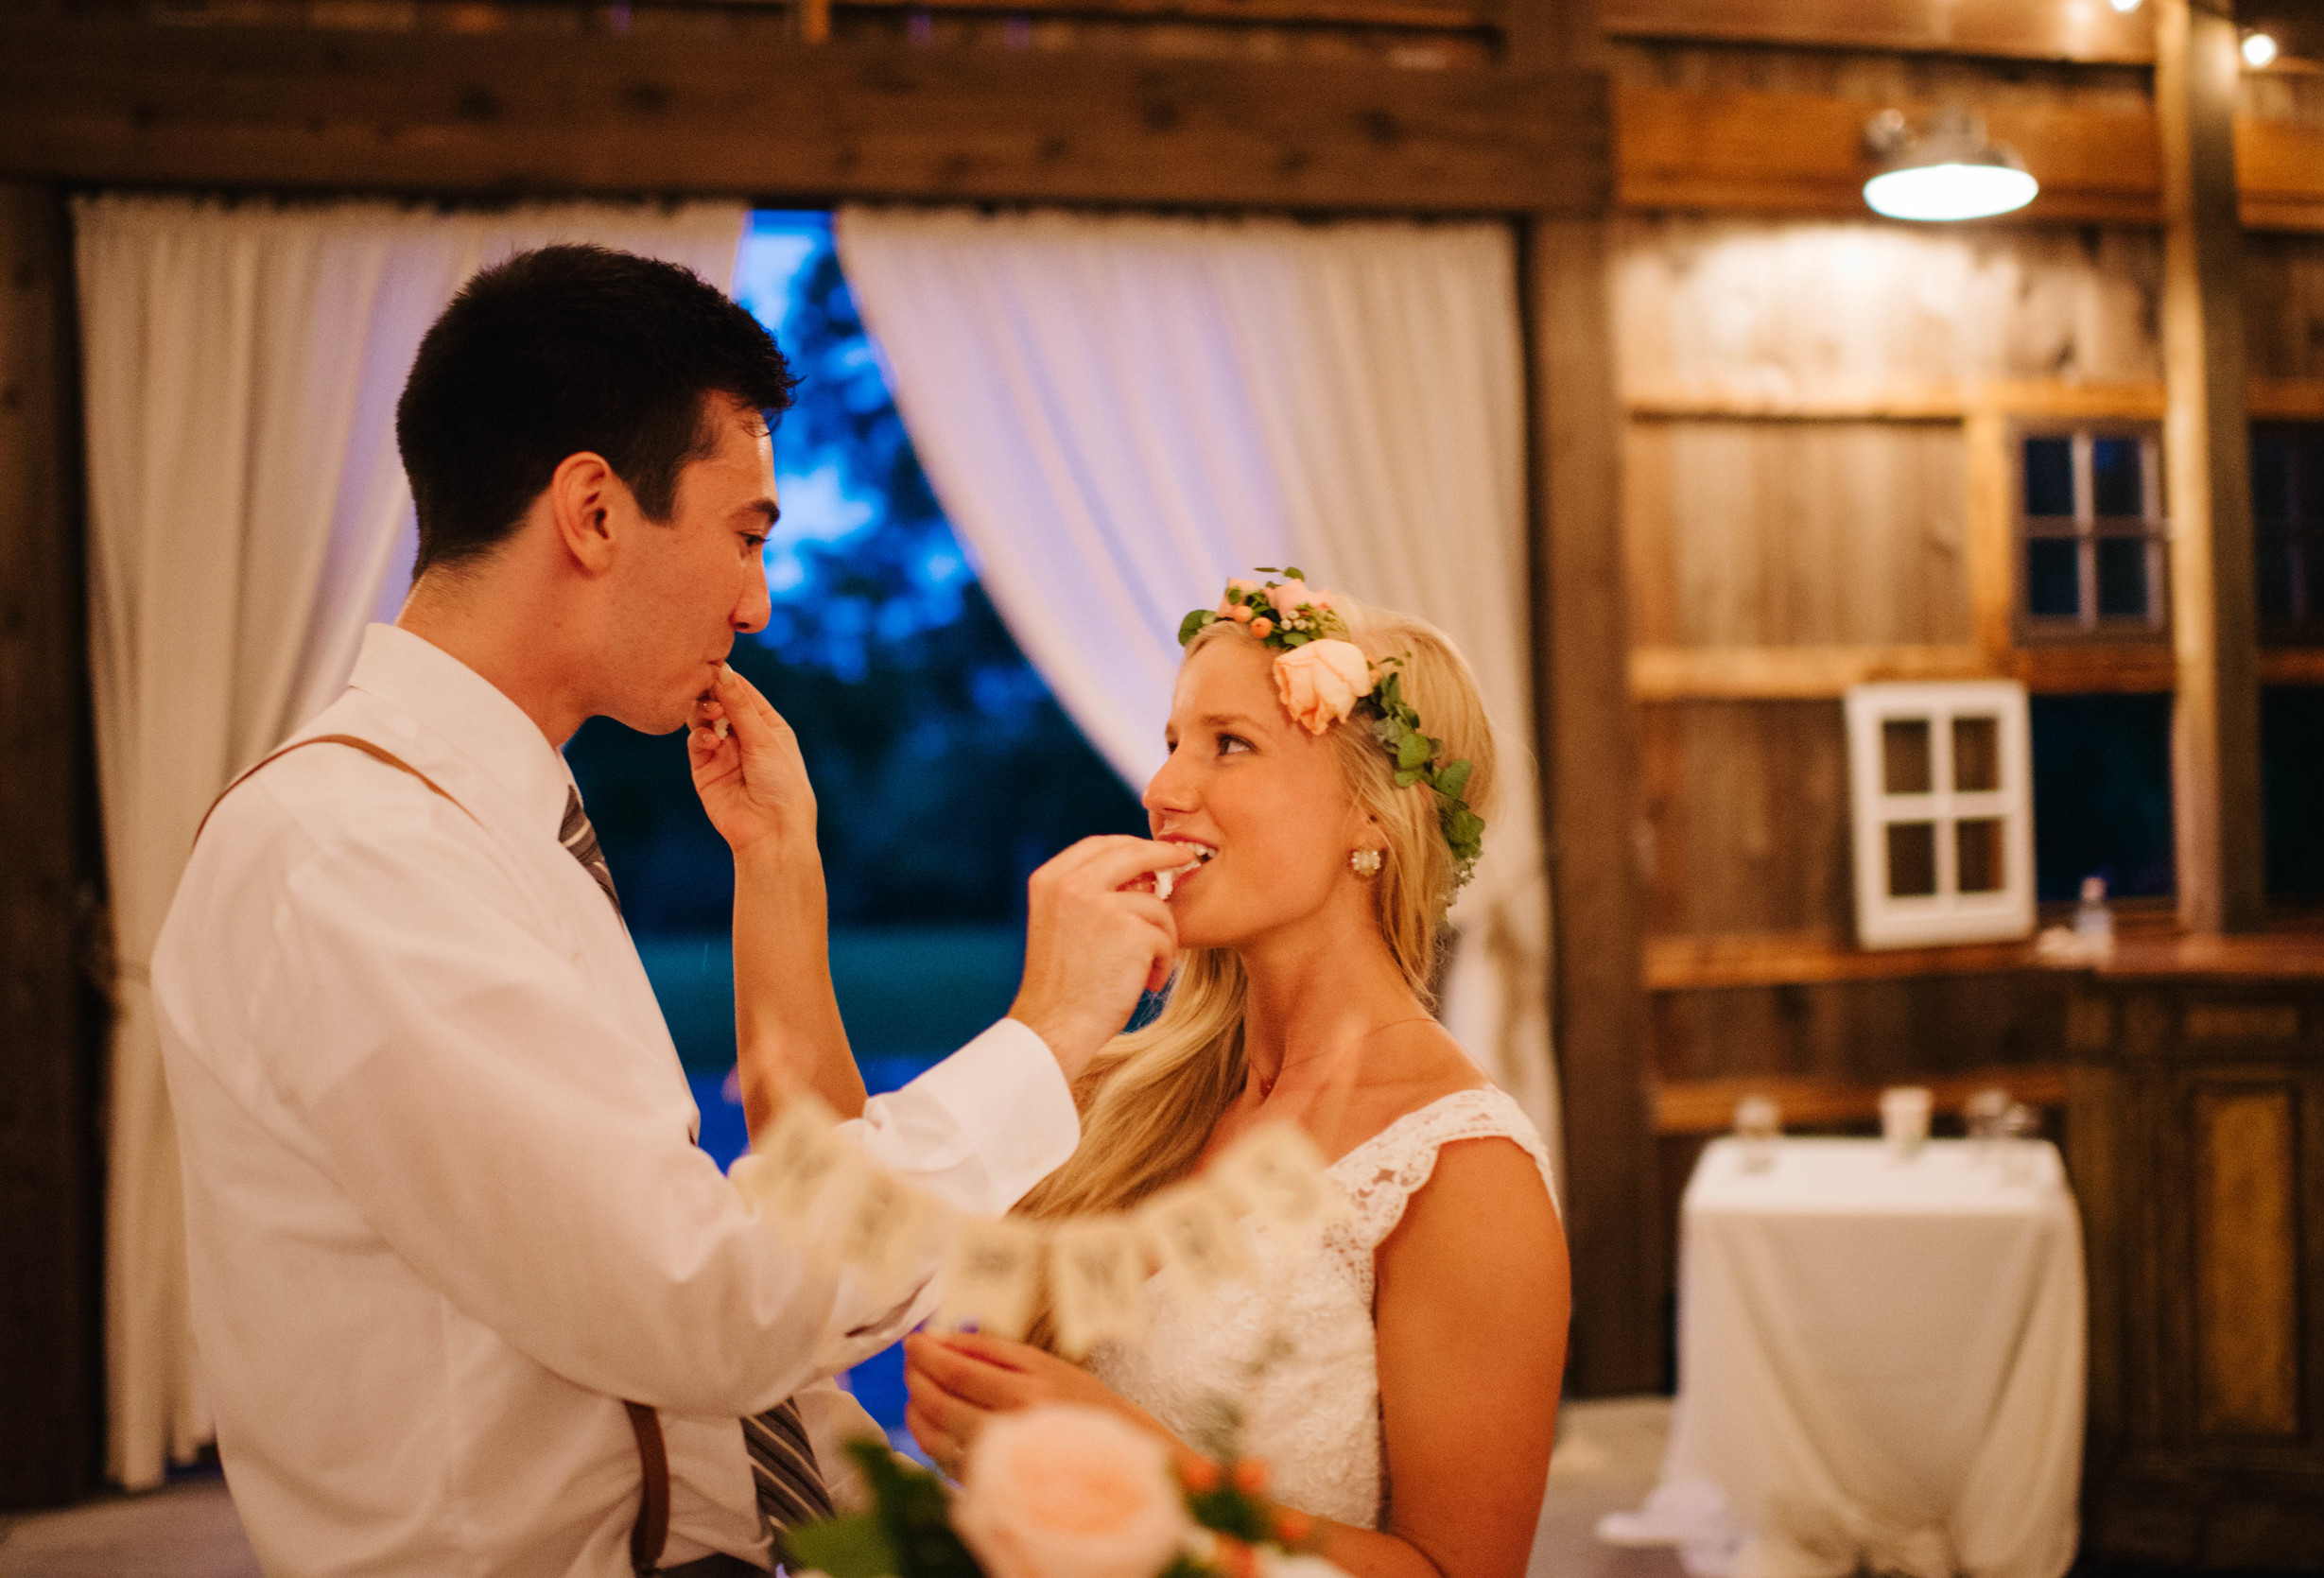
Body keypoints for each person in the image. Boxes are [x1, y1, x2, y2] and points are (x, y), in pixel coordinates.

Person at [150, 244, 1191, 1578]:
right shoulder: (348, 856)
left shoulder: (487, 830)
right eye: (746, 534)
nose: (755, 602)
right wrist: (1043, 1036)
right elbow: (708, 1303)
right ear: (591, 510)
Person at [902, 581, 1570, 1578]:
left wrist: (1147, 1473)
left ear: (1371, 816)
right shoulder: (1123, 1094)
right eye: (1173, 740)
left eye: (1228, 743)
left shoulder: (1460, 1172)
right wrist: (780, 856)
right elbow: (842, 1254)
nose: (1163, 786)